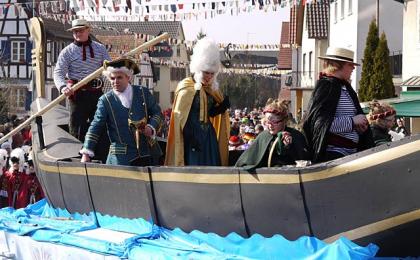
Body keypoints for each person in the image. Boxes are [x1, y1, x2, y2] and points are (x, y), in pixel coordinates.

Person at [80, 58, 163, 166]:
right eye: (112, 78)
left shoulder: (143, 92)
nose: (115, 81)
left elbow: (158, 113)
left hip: (148, 153)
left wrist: (151, 128)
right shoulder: (105, 100)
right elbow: (96, 126)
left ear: (128, 77)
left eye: (119, 77)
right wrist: (86, 152)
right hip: (121, 159)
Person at [165, 38, 230, 166]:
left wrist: (221, 108)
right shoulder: (186, 87)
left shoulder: (211, 89)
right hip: (191, 137)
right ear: (199, 69)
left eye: (212, 74)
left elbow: (208, 113)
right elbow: (180, 118)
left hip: (208, 137)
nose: (209, 77)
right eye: (207, 73)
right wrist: (189, 137)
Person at [303, 47, 374, 163]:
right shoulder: (326, 87)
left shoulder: (346, 88)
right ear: (338, 65)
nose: (353, 68)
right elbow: (321, 125)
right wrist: (353, 121)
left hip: (351, 154)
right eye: (350, 64)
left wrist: (360, 128)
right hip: (334, 155)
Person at [54, 19, 111, 142]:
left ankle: (100, 154)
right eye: (75, 31)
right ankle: (78, 157)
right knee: (77, 128)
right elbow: (58, 73)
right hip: (77, 95)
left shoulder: (100, 48)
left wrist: (115, 71)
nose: (77, 34)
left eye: (80, 30)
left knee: (100, 125)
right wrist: (63, 87)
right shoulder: (67, 52)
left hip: (96, 93)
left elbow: (109, 68)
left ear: (88, 30)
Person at [235, 99, 308, 171]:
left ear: (284, 121)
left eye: (274, 122)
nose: (270, 126)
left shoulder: (296, 135)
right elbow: (246, 160)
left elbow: (304, 160)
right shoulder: (263, 136)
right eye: (267, 122)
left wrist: (288, 146)